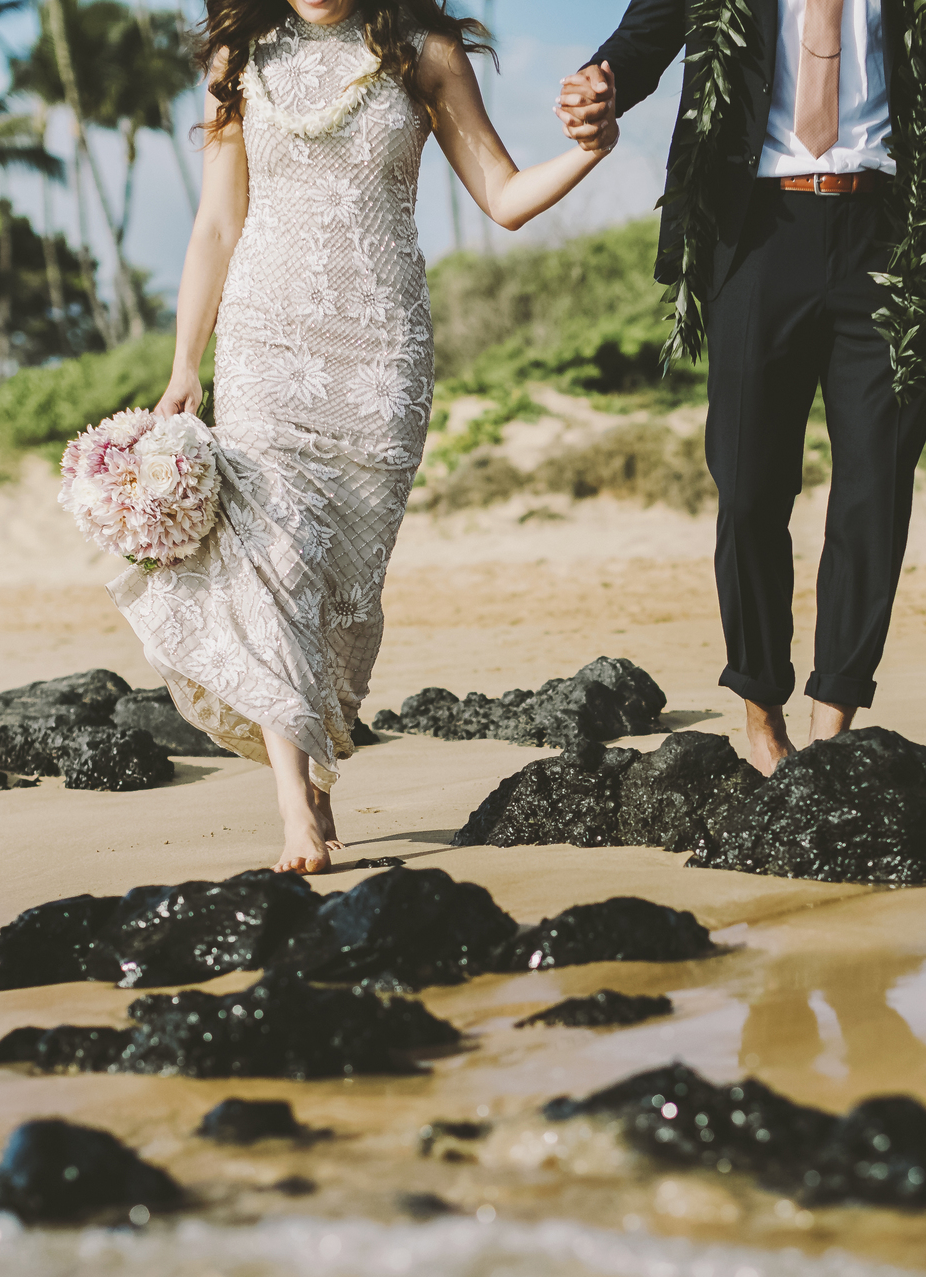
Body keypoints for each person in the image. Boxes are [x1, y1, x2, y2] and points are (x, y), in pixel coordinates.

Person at [116, 0, 618, 873]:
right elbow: (217, 223)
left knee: (344, 583)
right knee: (273, 560)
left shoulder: (425, 51)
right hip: (266, 343)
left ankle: (316, 767)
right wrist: (184, 365)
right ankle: (294, 810)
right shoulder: (241, 54)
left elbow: (501, 199)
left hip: (380, 356)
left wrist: (588, 151)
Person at [556, 0, 926, 774]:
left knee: (877, 483)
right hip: (756, 233)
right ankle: (763, 714)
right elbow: (647, 35)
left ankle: (834, 726)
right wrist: (602, 81)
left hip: (890, 230)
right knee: (750, 484)